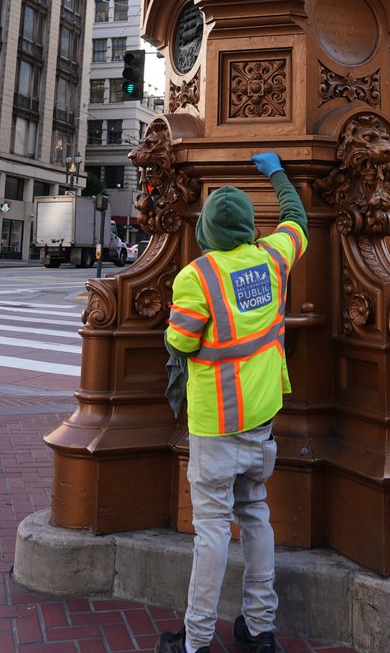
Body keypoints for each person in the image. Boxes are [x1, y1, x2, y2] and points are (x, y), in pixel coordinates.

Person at [155, 151, 308, 653]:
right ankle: (260, 630)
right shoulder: (272, 258)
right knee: (257, 516)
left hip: (216, 423)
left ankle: (195, 641)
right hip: (261, 418)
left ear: (206, 233)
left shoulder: (196, 277)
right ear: (247, 227)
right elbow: (297, 218)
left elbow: (179, 342)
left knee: (212, 532)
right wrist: (276, 173)